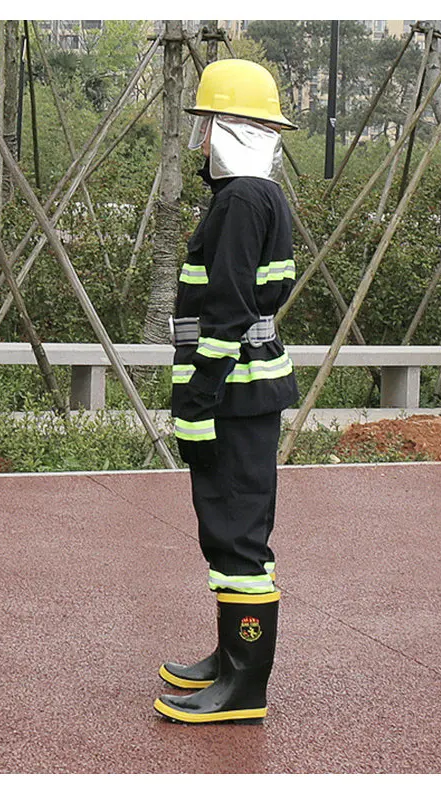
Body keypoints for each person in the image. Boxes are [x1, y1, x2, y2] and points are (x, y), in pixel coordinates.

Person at [153, 59, 299, 725]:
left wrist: (196, 401)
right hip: (245, 391)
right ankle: (228, 659)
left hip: (232, 395)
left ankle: (243, 686)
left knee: (237, 537)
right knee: (230, 530)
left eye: (208, 125)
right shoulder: (257, 196)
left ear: (233, 130)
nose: (202, 139)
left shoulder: (241, 200)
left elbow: (229, 311)